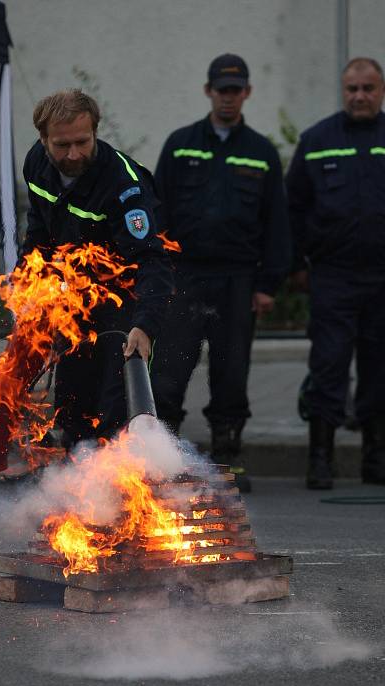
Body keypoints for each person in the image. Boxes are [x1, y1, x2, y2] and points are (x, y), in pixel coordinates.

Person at [150, 54, 291, 491]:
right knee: (171, 369)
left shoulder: (261, 152)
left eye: (236, 90)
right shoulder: (180, 144)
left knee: (231, 373)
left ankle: (227, 457)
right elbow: (158, 213)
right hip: (185, 276)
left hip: (237, 279)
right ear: (208, 90)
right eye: (221, 89)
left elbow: (277, 224)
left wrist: (268, 286)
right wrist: (160, 274)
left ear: (246, 93)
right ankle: (163, 457)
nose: (228, 97)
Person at [21, 88, 173, 447]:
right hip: (74, 303)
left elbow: (153, 261)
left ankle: (120, 498)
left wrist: (145, 327)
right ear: (43, 140)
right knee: (72, 409)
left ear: (95, 132)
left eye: (82, 142)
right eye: (62, 145)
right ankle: (77, 494)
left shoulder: (124, 186)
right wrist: (28, 289)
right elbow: (39, 234)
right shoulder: (36, 165)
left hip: (125, 307)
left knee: (114, 415)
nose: (73, 154)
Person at [286, 57, 385, 489]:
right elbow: (291, 210)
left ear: (381, 91)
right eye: (352, 89)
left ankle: (376, 458)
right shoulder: (317, 140)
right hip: (334, 276)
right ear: (342, 91)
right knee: (328, 366)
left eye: (368, 88)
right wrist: (295, 266)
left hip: (383, 278)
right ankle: (320, 458)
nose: (359, 96)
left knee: (380, 368)